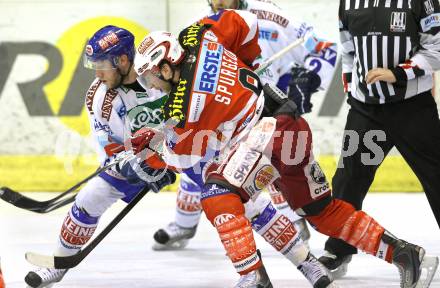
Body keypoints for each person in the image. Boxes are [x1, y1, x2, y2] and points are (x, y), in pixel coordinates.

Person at [132, 9, 438, 288]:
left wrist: (153, 156)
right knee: (320, 211)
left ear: (167, 64)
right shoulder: (198, 35)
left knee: (217, 195)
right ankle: (407, 254)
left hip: (266, 134)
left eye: (151, 77)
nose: (151, 85)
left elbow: (186, 157)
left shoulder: (185, 105)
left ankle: (253, 277)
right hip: (289, 124)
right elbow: (246, 22)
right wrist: (246, 60)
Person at [151, 0, 338, 253]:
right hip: (230, 114)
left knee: (272, 167)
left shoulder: (271, 17)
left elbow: (325, 49)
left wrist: (308, 81)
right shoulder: (202, 24)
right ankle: (185, 223)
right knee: (202, 162)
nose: (217, 2)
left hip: (270, 105)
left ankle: (295, 221)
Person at [24, 25, 176, 288]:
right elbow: (114, 151)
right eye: (94, 65)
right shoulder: (100, 96)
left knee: (229, 189)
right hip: (139, 160)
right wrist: (146, 168)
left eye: (103, 64)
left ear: (124, 60)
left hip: (189, 146)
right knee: (89, 197)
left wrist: (176, 155)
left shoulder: (155, 70)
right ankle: (59, 263)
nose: (97, 72)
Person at [318, 0, 440, 280]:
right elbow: (348, 50)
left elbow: (436, 49)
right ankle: (339, 249)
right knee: (348, 179)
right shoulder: (348, 2)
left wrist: (397, 73)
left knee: (437, 176)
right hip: (366, 110)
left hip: (413, 107)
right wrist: (352, 87)